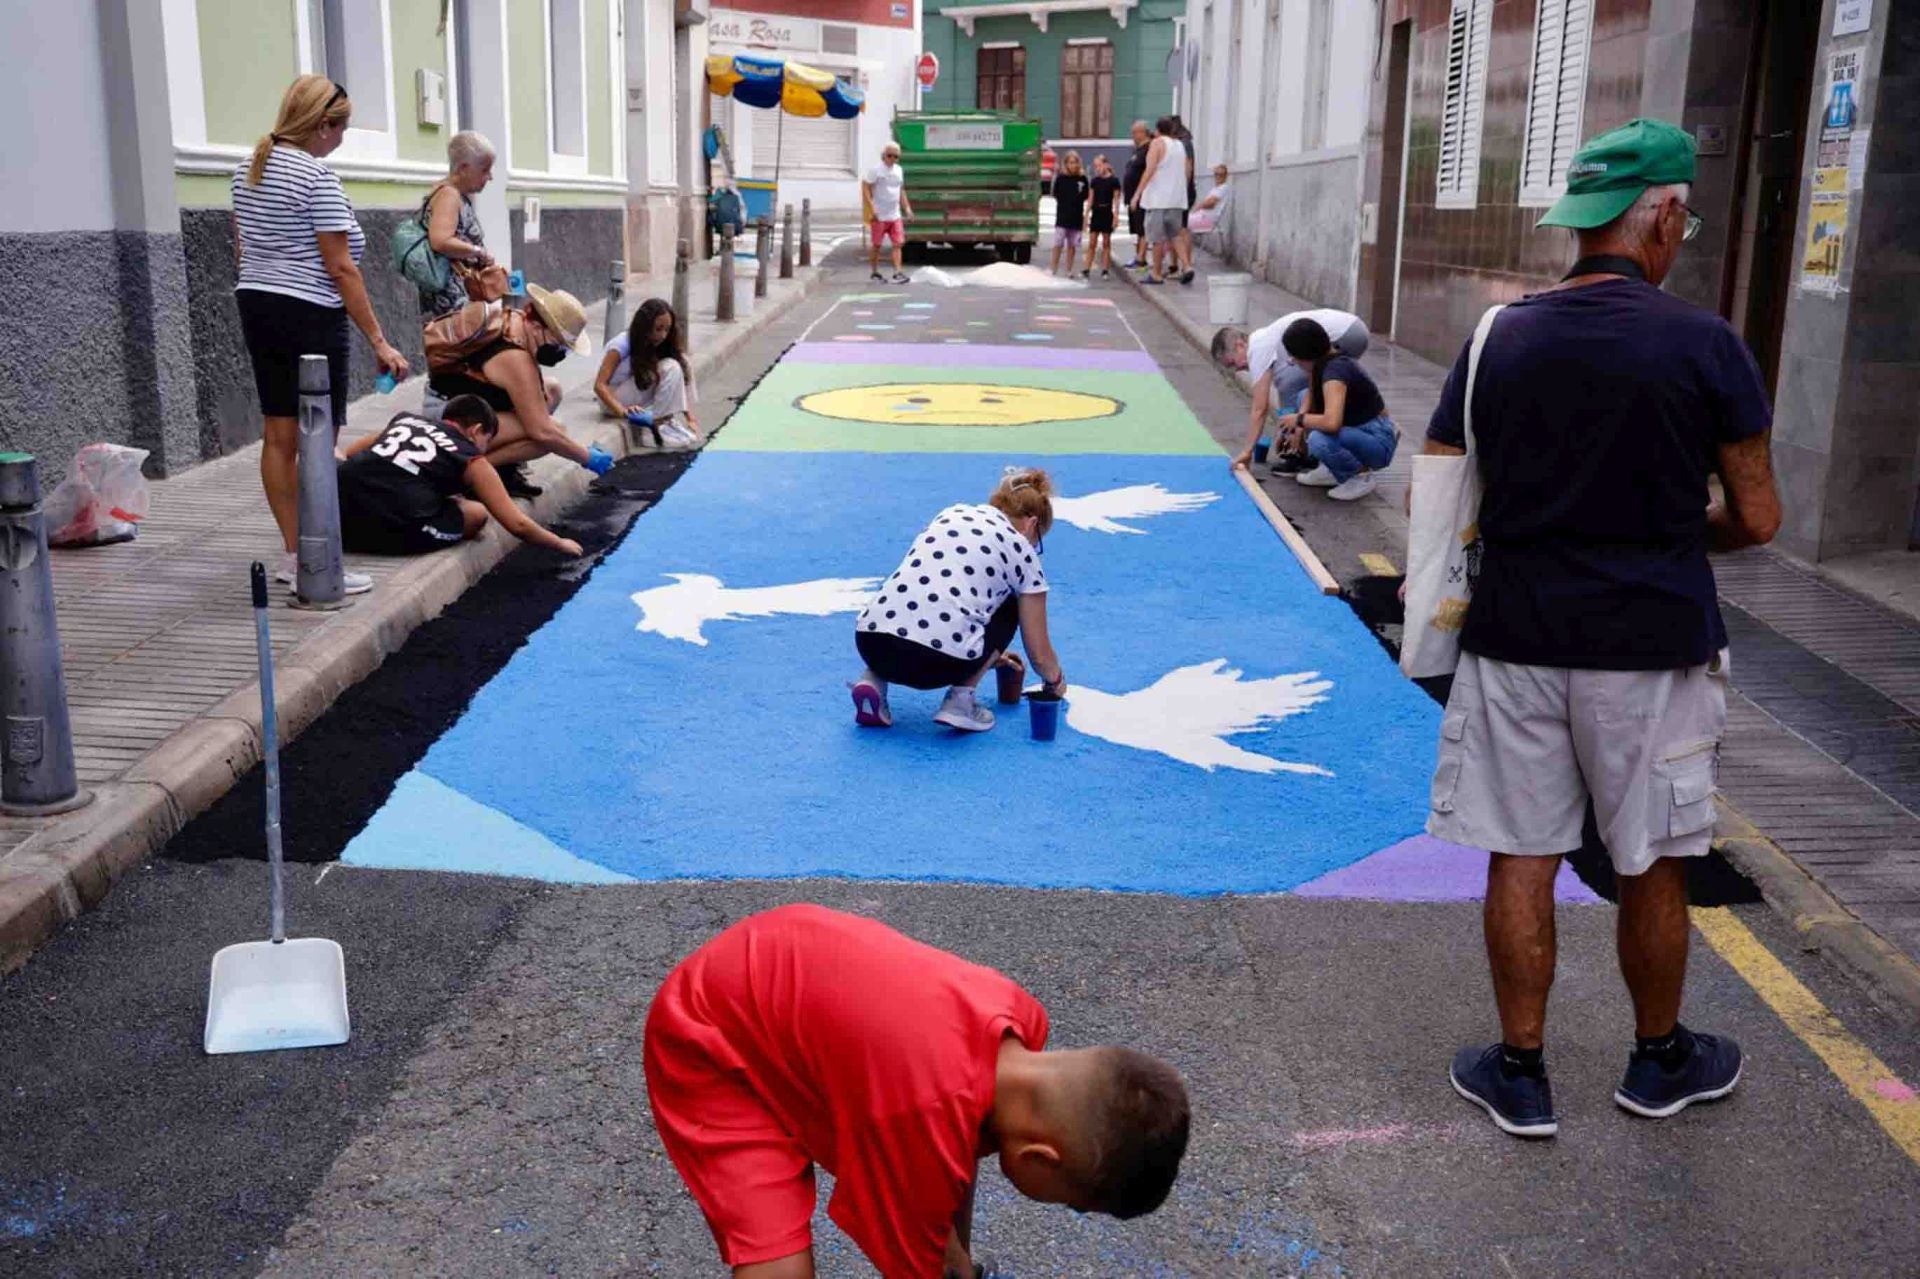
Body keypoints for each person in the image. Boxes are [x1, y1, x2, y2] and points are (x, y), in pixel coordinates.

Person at [1422, 119, 1781, 1139]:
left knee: (1521, 852)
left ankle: (1522, 1071)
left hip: (1515, 639)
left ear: (1581, 222)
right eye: (1686, 219)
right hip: (1653, 647)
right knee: (1650, 857)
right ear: (1662, 216)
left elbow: (1445, 483)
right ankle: (1659, 1061)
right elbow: (1758, 517)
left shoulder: (1499, 336)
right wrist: (1666, 529)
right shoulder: (1706, 345)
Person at [645, 903, 1190, 1279]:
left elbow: (958, 1153)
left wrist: (956, 1258)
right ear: (1040, 1158)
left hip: (774, 962)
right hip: (710, 1041)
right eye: (1070, 1204)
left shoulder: (1020, 1024)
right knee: (776, 1253)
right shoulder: (921, 1117)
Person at [232, 75, 409, 595]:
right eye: (342, 129)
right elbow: (342, 269)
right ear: (323, 125)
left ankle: (295, 554)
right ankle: (319, 562)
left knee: (279, 433)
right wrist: (380, 340)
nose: (341, 140)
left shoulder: (248, 169)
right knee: (316, 439)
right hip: (310, 313)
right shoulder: (316, 178)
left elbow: (243, 245)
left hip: (257, 304)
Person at [850, 468, 1065, 733]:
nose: (1034, 548)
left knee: (912, 590)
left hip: (872, 643)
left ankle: (872, 680)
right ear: (1032, 524)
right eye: (1037, 541)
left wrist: (987, 654)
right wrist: (1055, 682)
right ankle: (960, 702)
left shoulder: (951, 513)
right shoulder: (1022, 550)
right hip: (940, 661)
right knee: (1012, 602)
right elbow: (1039, 653)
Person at [336, 394, 582, 558]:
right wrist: (560, 543)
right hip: (387, 530)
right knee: (476, 513)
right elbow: (516, 523)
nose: (485, 449)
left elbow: (352, 452)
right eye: (487, 441)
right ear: (476, 431)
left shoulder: (405, 421)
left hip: (340, 519)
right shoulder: (471, 458)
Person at [424, 283, 610, 493]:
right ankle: (470, 473)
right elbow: (541, 431)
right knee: (553, 434)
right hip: (447, 420)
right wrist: (586, 457)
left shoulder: (517, 321)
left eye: (564, 350)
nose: (558, 354)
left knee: (552, 390)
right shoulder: (515, 358)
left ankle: (505, 468)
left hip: (458, 404)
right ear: (539, 327)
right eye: (557, 344)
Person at [1213, 308, 1370, 473]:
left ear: (1240, 345)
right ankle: (1305, 451)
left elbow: (1259, 408)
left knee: (1310, 388)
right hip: (1353, 328)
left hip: (1345, 333)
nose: (1237, 370)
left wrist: (1247, 451)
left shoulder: (1256, 348)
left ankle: (1323, 460)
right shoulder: (1267, 342)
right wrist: (1291, 425)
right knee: (1295, 386)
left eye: (1232, 363)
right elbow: (1292, 392)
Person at [1269, 319, 1396, 501]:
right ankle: (1331, 469)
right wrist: (1298, 427)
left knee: (1318, 440)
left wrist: (1299, 420)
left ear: (1305, 355)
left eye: (1294, 358)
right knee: (1302, 396)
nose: (1293, 362)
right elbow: (1311, 393)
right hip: (1359, 431)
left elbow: (1332, 422)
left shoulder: (1335, 373)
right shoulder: (1325, 360)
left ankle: (1359, 477)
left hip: (1377, 440)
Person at [593, 298, 699, 450]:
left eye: (667, 329)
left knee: (681, 362)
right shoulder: (621, 344)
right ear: (645, 326)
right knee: (671, 367)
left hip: (634, 395)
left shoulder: (658, 343)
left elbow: (682, 373)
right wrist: (623, 412)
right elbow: (599, 385)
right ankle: (656, 426)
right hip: (612, 400)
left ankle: (664, 420)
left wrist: (691, 419)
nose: (663, 335)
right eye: (658, 329)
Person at [419, 131, 497, 319]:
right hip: (452, 302)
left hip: (452, 298)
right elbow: (440, 240)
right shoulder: (449, 195)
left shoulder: (448, 192)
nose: (490, 177)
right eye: (484, 170)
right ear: (463, 168)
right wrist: (479, 252)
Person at [1130, 118, 1193, 286]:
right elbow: (1187, 169)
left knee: (1156, 238)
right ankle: (1186, 266)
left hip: (1158, 199)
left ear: (1157, 130)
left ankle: (1156, 273)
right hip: (1176, 199)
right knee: (1176, 234)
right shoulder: (1180, 145)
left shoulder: (1157, 144)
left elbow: (1149, 170)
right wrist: (1182, 189)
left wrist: (1137, 194)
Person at [862, 142, 913, 285]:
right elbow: (866, 186)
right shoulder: (876, 170)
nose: (892, 159)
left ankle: (897, 272)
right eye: (889, 155)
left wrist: (907, 208)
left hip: (894, 214)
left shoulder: (899, 170)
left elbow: (901, 190)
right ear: (884, 155)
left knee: (898, 243)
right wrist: (872, 208)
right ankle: (874, 272)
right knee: (877, 245)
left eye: (896, 156)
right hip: (879, 215)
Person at [1048, 151, 1089, 277]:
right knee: (1058, 243)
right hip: (1063, 216)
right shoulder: (1061, 178)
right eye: (1071, 163)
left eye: (1075, 162)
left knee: (1072, 245)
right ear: (1066, 164)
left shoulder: (1082, 179)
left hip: (1076, 215)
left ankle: (1069, 269)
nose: (1073, 165)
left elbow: (1086, 195)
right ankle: (1053, 268)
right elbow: (1055, 193)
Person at [1084, 153, 1122, 279]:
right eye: (1096, 167)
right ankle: (1086, 268)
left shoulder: (1114, 181)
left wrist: (1116, 216)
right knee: (1092, 242)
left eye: (1099, 166)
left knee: (1106, 243)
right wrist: (1086, 214)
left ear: (1106, 165)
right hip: (1096, 213)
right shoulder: (1095, 181)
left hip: (1107, 213)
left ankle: (1105, 269)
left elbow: (1116, 200)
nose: (1098, 169)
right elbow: (1090, 198)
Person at [1121, 121, 1152, 269]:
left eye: (1135, 132)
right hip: (1133, 195)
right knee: (1136, 228)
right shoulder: (1137, 150)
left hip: (1142, 195)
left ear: (1142, 132)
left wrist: (1138, 193)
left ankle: (1141, 258)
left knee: (1142, 228)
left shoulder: (1149, 149)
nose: (1132, 136)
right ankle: (1138, 257)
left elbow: (1148, 171)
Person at [1188, 163, 1231, 236]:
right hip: (1202, 217)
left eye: (1221, 174)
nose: (1218, 176)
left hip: (1208, 220)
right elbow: (1207, 202)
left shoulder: (1223, 188)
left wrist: (1199, 207)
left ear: (1226, 176)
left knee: (1180, 224)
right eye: (1216, 174)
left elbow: (1210, 204)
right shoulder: (1216, 188)